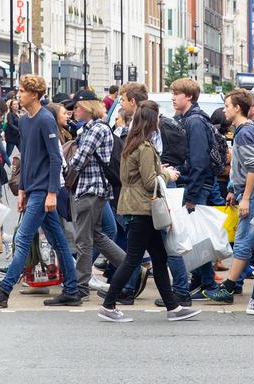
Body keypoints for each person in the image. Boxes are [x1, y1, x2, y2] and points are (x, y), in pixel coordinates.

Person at [0, 75, 81, 307]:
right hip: (33, 189)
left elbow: (55, 159)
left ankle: (4, 291)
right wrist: (22, 189)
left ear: (34, 94)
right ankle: (72, 290)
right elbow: (25, 158)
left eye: (22, 91)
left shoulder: (46, 119)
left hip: (43, 190)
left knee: (22, 238)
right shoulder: (25, 121)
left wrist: (52, 192)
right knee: (58, 240)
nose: (19, 95)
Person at [98, 101, 201, 323]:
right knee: (133, 259)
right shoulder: (144, 147)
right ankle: (108, 305)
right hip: (142, 209)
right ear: (151, 121)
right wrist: (167, 176)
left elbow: (135, 176)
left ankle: (173, 307)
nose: (159, 122)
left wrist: (159, 170)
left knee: (159, 258)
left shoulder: (131, 144)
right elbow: (149, 181)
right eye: (157, 118)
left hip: (139, 208)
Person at [202, 89, 254, 308]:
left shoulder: (245, 132)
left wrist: (246, 197)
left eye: (227, 106)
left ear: (238, 108)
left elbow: (253, 168)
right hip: (250, 190)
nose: (224, 110)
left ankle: (228, 288)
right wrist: (232, 188)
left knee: (243, 240)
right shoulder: (249, 129)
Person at [68, 89, 126, 300]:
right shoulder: (93, 129)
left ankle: (80, 288)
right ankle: (131, 267)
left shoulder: (96, 130)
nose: (74, 111)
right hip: (95, 189)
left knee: (84, 240)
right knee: (98, 236)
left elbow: (79, 160)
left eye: (77, 107)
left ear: (87, 108)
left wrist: (68, 163)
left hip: (90, 189)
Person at [170, 78, 222, 300]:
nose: (172, 97)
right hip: (194, 184)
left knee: (195, 237)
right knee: (194, 235)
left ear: (188, 96)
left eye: (176, 93)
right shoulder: (188, 119)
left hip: (196, 186)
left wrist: (191, 195)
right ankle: (202, 282)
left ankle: (208, 285)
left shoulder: (194, 122)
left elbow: (199, 162)